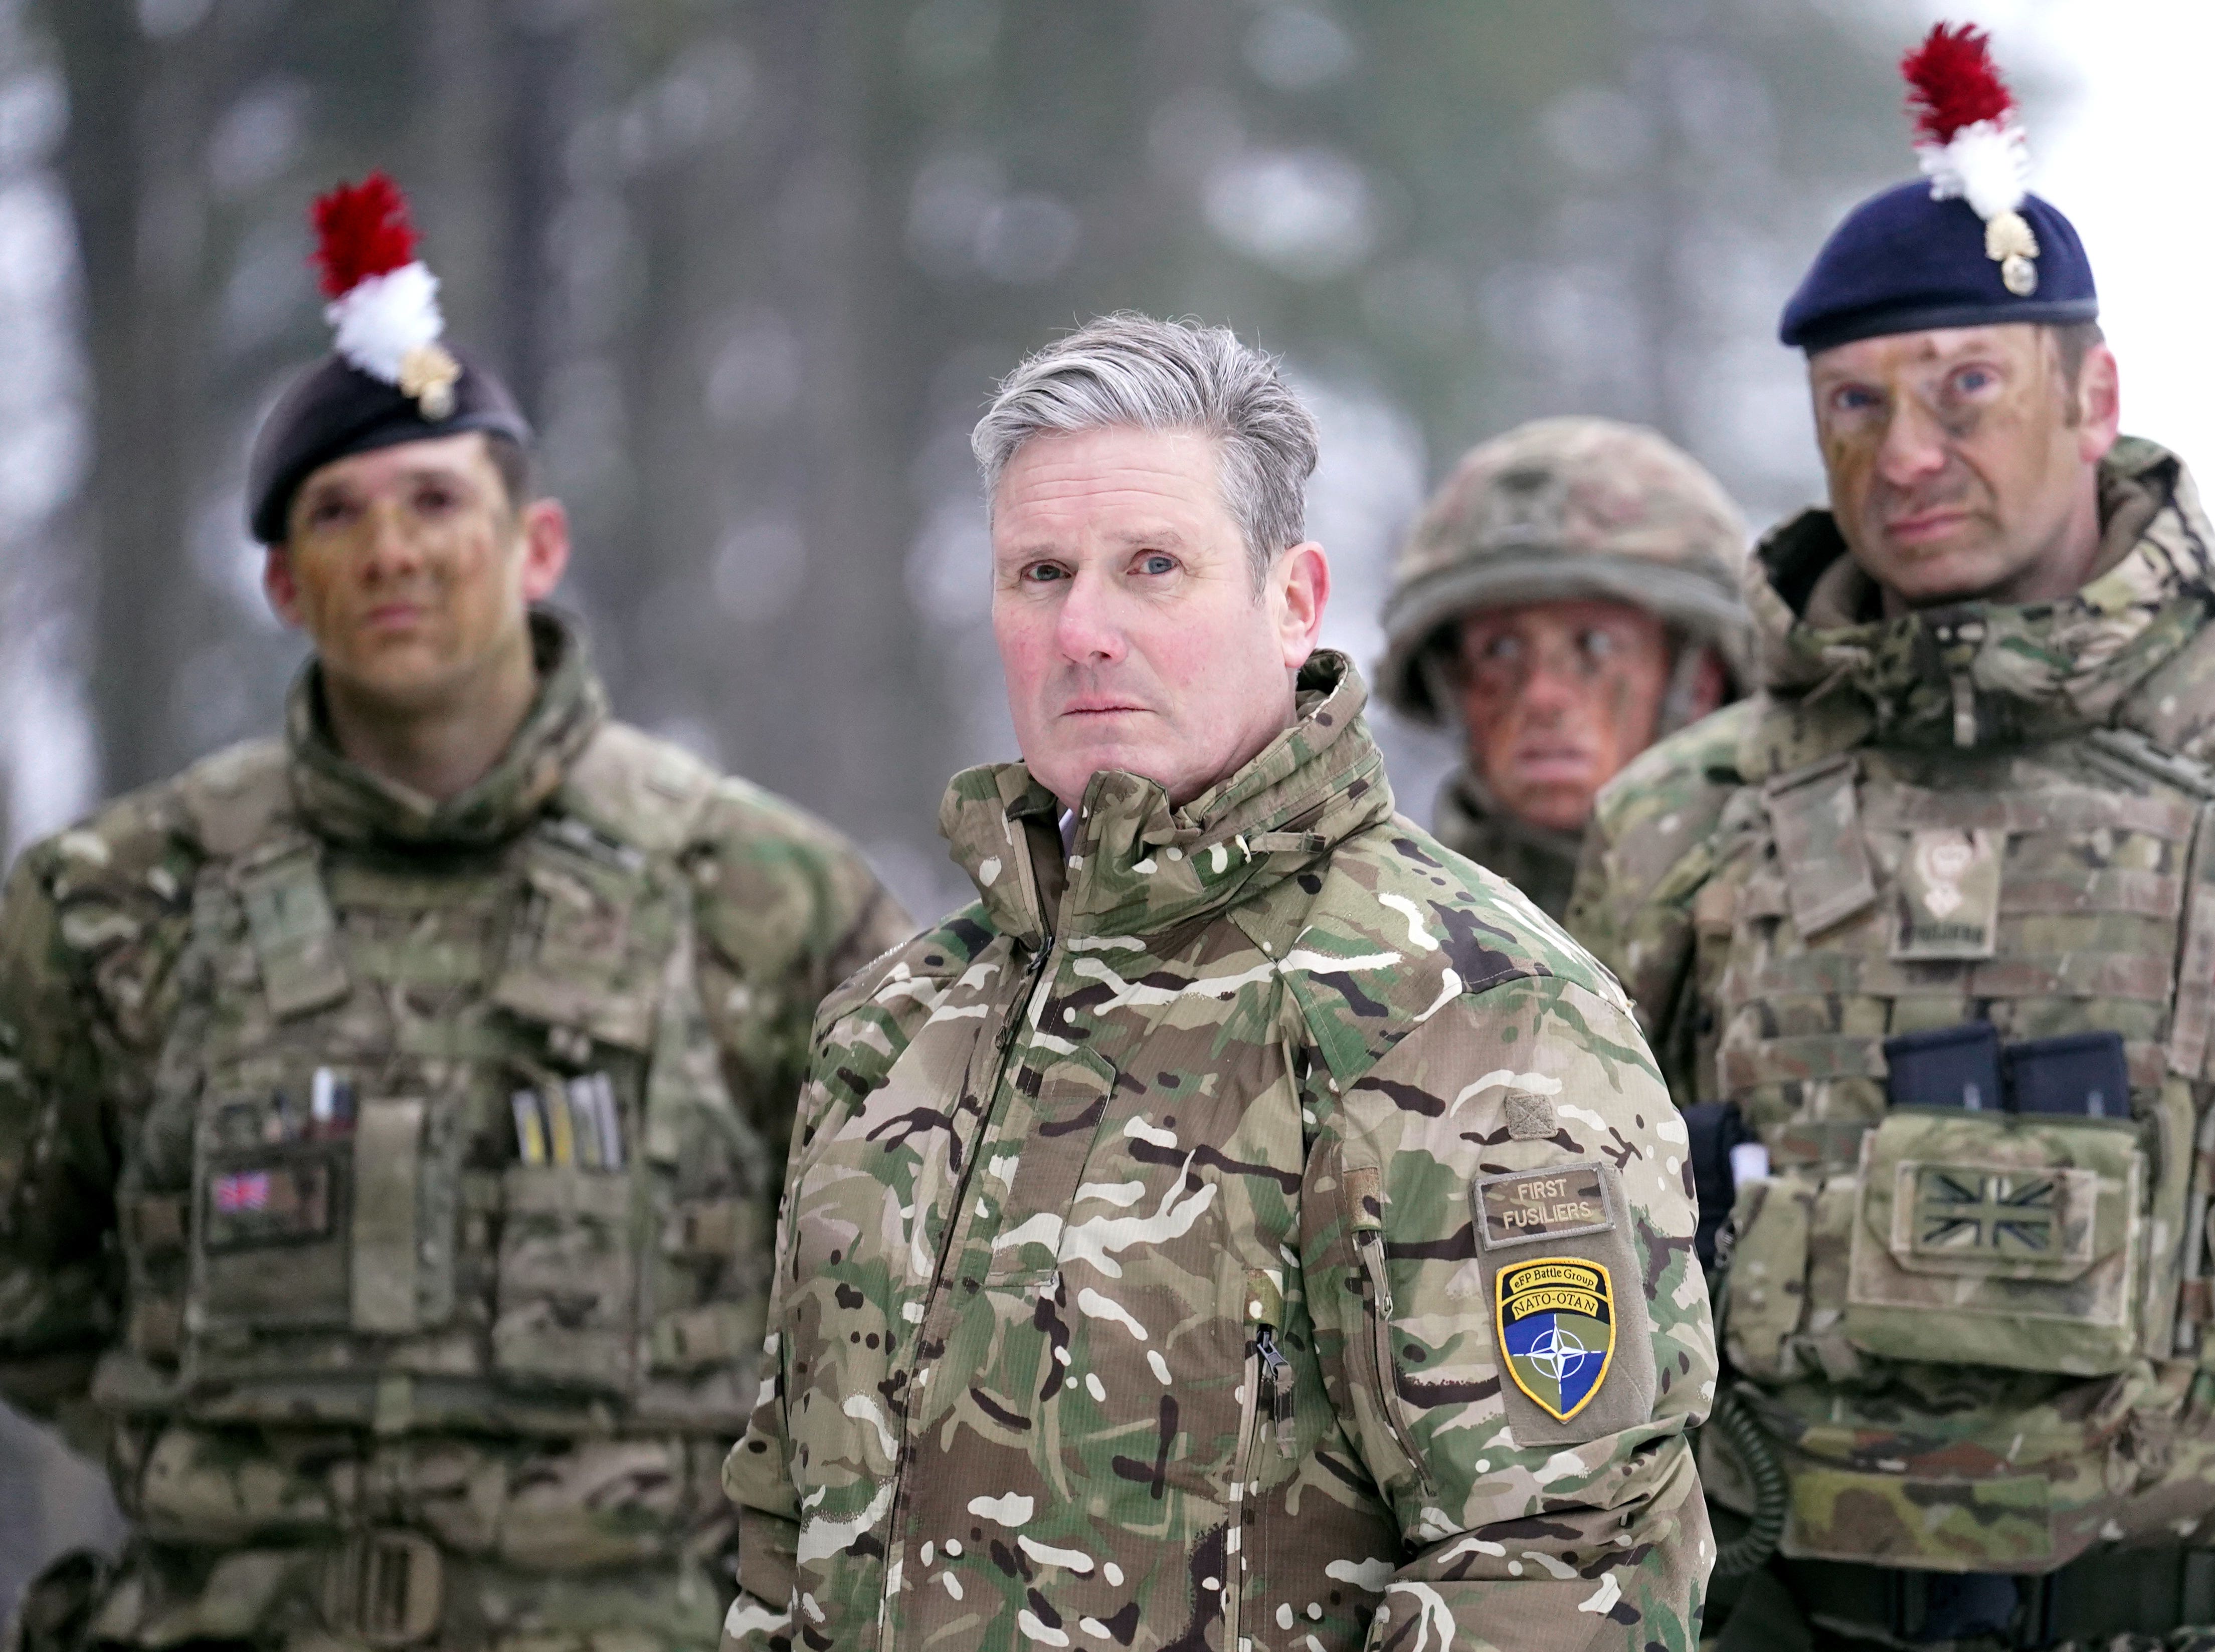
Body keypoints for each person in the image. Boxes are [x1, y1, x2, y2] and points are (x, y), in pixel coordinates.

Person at [1565, 25, 2215, 1652]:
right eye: (1855, 401)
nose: (1906, 451)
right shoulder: (1680, 821)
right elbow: (1566, 1297)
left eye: (1967, 386)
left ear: (2094, 391)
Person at [0, 175, 912, 1652]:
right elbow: (31, 1292)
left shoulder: (757, 894)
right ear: (286, 585)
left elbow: (881, 1307)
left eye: (437, 501)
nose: (395, 552)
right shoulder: (117, 904)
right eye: (340, 517)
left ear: (536, 546)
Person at [717, 313, 1716, 1652]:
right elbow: (787, 1536)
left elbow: (1565, 1570)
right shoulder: (896, 1030)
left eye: (1152, 568)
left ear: (1292, 597)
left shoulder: (1471, 1016)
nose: (1084, 629)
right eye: (1039, 573)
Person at [1374, 417, 1750, 918]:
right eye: (1500, 650)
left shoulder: (1794, 930)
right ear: (1452, 683)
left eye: (1596, 644)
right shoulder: (1380, 937)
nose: (1542, 695)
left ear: (1700, 681)